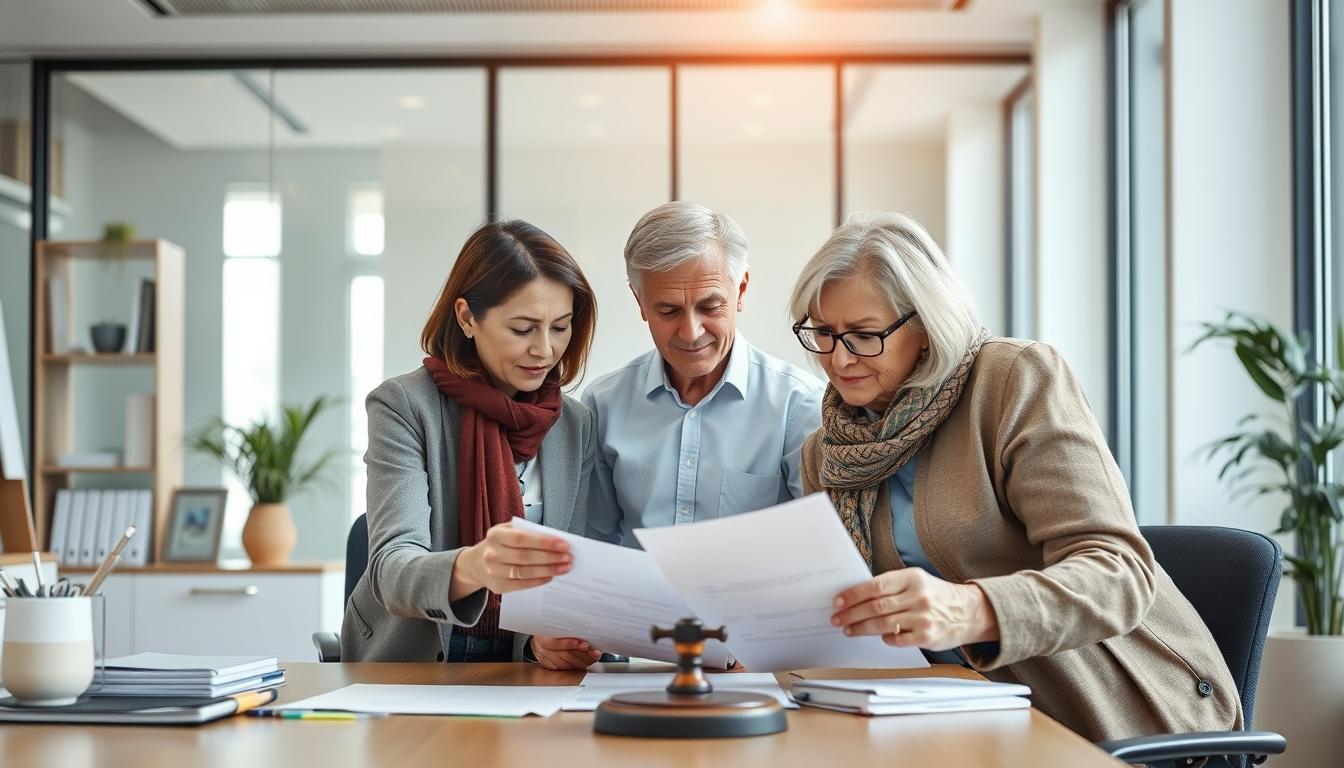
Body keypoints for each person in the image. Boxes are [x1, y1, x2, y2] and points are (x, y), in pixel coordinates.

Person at [791, 211, 1239, 742]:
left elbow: (1119, 574)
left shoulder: (1013, 380)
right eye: (822, 333)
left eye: (864, 335)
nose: (838, 359)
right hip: (947, 719)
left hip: (1102, 715)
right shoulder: (828, 454)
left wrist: (971, 609)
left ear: (927, 325)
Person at [341, 219, 603, 671]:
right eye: (523, 329)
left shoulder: (574, 424)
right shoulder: (403, 405)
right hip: (409, 661)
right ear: (467, 318)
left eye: (560, 327)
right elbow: (392, 570)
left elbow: (563, 578)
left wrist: (541, 644)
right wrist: (476, 566)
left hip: (517, 667)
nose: (545, 349)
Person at [583, 201, 823, 547]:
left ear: (740, 291)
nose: (691, 332)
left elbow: (819, 548)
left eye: (710, 307)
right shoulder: (603, 405)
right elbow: (595, 544)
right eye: (668, 310)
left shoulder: (798, 406)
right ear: (639, 301)